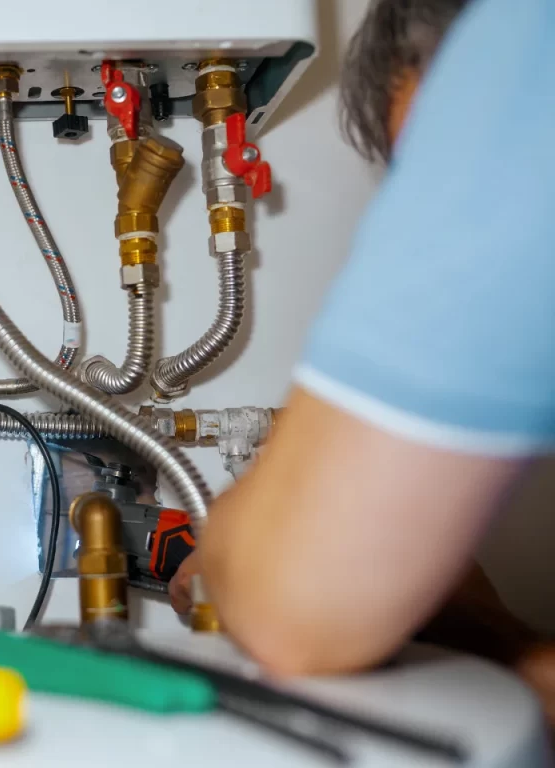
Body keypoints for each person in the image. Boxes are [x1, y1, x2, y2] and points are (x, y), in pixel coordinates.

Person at [169, 0, 555, 722]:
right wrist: (490, 634)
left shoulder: (521, 49)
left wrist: (246, 544)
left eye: (431, 172)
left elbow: (295, 610)